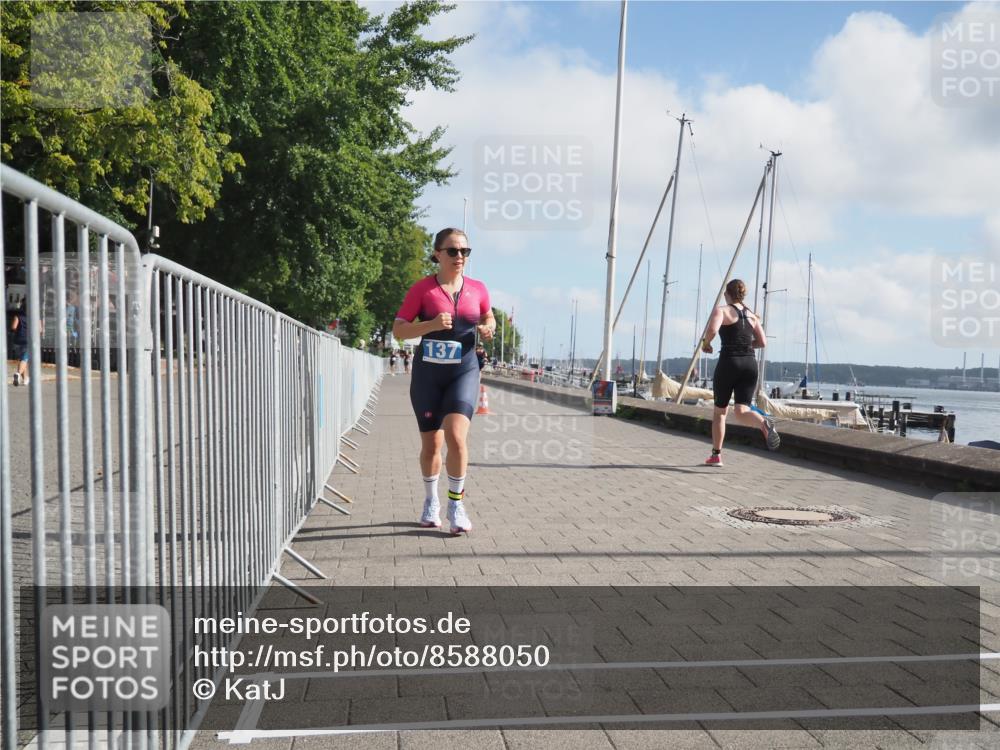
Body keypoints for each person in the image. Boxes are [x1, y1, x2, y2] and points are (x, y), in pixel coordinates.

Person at [392, 228, 495, 534]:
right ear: (437, 254)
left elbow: (488, 317)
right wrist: (431, 325)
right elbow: (399, 330)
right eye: (453, 251)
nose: (459, 256)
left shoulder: (478, 289)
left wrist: (489, 327)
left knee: (456, 436)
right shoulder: (422, 290)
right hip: (428, 376)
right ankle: (430, 501)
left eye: (465, 251)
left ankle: (456, 504)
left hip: (463, 371)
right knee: (431, 444)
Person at [700, 279, 780, 466]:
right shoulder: (752, 315)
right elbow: (762, 342)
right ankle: (763, 423)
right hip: (750, 364)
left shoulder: (722, 310)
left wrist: (706, 343)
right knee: (742, 410)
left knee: (720, 412)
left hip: (729, 363)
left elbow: (712, 329)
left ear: (727, 294)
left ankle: (716, 456)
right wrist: (745, 345)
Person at [9, 299, 30, 386]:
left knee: (22, 359)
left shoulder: (18, 316)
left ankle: (25, 379)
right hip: (28, 340)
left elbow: (13, 327)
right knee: (24, 359)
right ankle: (18, 374)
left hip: (17, 340)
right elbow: (39, 330)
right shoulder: (35, 317)